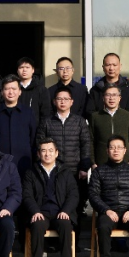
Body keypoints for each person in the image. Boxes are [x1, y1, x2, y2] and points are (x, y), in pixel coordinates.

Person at [36, 83, 92, 244]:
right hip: (53, 171)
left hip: (75, 171)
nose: (62, 102)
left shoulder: (80, 121)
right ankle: (53, 243)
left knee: (75, 207)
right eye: (59, 99)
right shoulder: (47, 122)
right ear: (54, 101)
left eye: (66, 99)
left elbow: (86, 145)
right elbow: (39, 143)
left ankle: (74, 243)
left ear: (71, 102)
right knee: (53, 204)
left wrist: (84, 167)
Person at [22, 139, 79, 257]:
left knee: (66, 225)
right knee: (37, 225)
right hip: (40, 212)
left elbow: (73, 194)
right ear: (38, 154)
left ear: (56, 153)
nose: (47, 154)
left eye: (50, 150)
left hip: (60, 212)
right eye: (43, 151)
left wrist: (66, 211)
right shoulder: (31, 172)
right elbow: (27, 195)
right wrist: (35, 211)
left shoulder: (65, 171)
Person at [0, 75, 37, 174]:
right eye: (7, 89)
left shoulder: (28, 112)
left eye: (14, 89)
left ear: (20, 91)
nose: (10, 92)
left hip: (23, 163)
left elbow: (33, 138)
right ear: (2, 92)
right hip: (0, 164)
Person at [89, 84, 129, 168]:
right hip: (101, 164)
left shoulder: (128, 116)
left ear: (119, 98)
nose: (111, 98)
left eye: (114, 95)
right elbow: (90, 141)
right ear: (103, 98)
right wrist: (92, 162)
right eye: (108, 95)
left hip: (125, 164)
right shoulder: (95, 117)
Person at [16, 57, 52, 124]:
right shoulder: (13, 89)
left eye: (27, 67)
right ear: (17, 71)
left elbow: (46, 113)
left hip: (35, 128)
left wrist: (41, 129)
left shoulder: (41, 90)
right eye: (21, 67)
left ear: (33, 70)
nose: (24, 70)